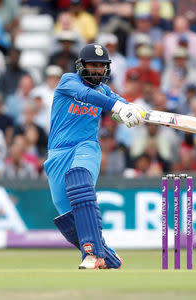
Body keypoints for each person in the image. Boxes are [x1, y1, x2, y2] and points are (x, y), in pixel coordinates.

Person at [44, 43, 143, 269]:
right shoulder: (68, 81)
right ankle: (109, 258)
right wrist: (117, 106)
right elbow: (86, 95)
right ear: (81, 66)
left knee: (79, 178)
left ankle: (92, 253)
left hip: (86, 147)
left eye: (102, 66)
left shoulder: (105, 92)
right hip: (57, 154)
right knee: (69, 216)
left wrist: (131, 112)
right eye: (93, 65)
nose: (98, 70)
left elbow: (122, 107)